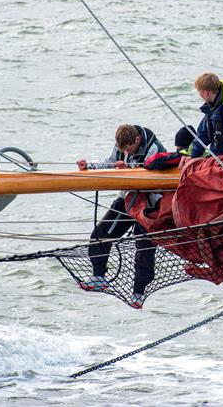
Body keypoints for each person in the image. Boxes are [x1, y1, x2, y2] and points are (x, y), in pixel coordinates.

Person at [76, 124, 165, 308]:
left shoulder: (154, 148)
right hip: (127, 199)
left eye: (129, 149)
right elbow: (108, 162)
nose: (125, 152)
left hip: (149, 203)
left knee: (144, 248)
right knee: (101, 233)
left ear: (137, 140)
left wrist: (129, 169)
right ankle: (99, 276)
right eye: (122, 149)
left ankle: (139, 292)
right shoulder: (120, 146)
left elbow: (152, 175)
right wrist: (89, 167)